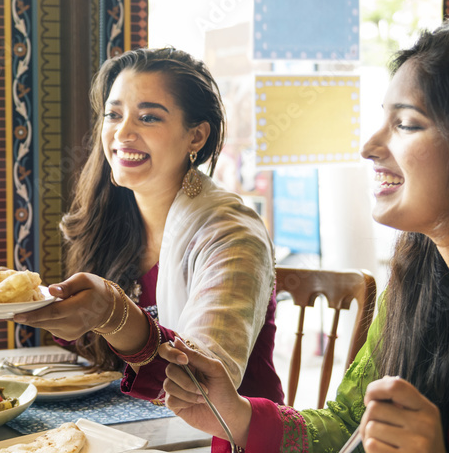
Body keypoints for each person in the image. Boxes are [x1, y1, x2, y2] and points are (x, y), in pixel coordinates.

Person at [160, 20, 449, 453]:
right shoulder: (424, 285)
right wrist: (236, 416)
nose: (369, 145)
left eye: (405, 123)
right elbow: (353, 432)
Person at [15, 47, 283, 405]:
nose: (122, 133)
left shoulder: (231, 234)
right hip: (138, 426)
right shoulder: (115, 215)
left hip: (227, 445)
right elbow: (90, 343)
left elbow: (201, 381)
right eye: (113, 114)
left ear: (196, 137)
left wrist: (113, 315)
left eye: (149, 118)